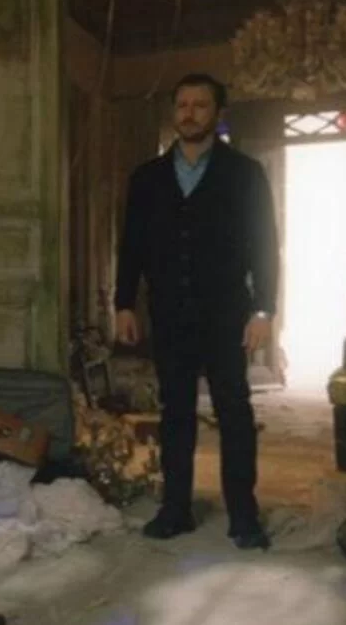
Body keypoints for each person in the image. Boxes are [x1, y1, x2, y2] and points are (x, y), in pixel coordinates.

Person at [114, 73, 279, 550]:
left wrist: (264, 310)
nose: (189, 113)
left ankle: (243, 514)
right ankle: (175, 508)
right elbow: (132, 246)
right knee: (175, 412)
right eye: (182, 104)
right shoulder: (147, 178)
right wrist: (124, 303)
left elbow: (265, 246)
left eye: (200, 105)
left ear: (217, 113)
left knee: (234, 410)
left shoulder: (245, 173)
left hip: (227, 312)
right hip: (168, 312)